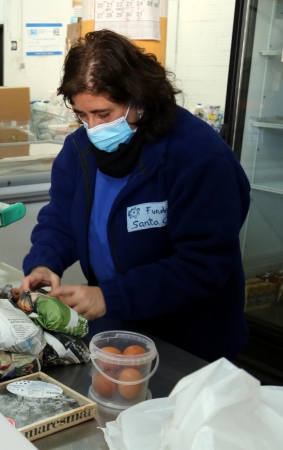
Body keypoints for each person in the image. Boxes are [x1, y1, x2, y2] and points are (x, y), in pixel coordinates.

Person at [17, 30, 250, 362]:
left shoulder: (197, 157)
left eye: (104, 114)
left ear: (139, 100)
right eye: (82, 115)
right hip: (119, 324)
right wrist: (44, 261)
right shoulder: (79, 151)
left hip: (191, 339)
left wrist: (109, 297)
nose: (93, 128)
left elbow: (203, 264)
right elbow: (62, 219)